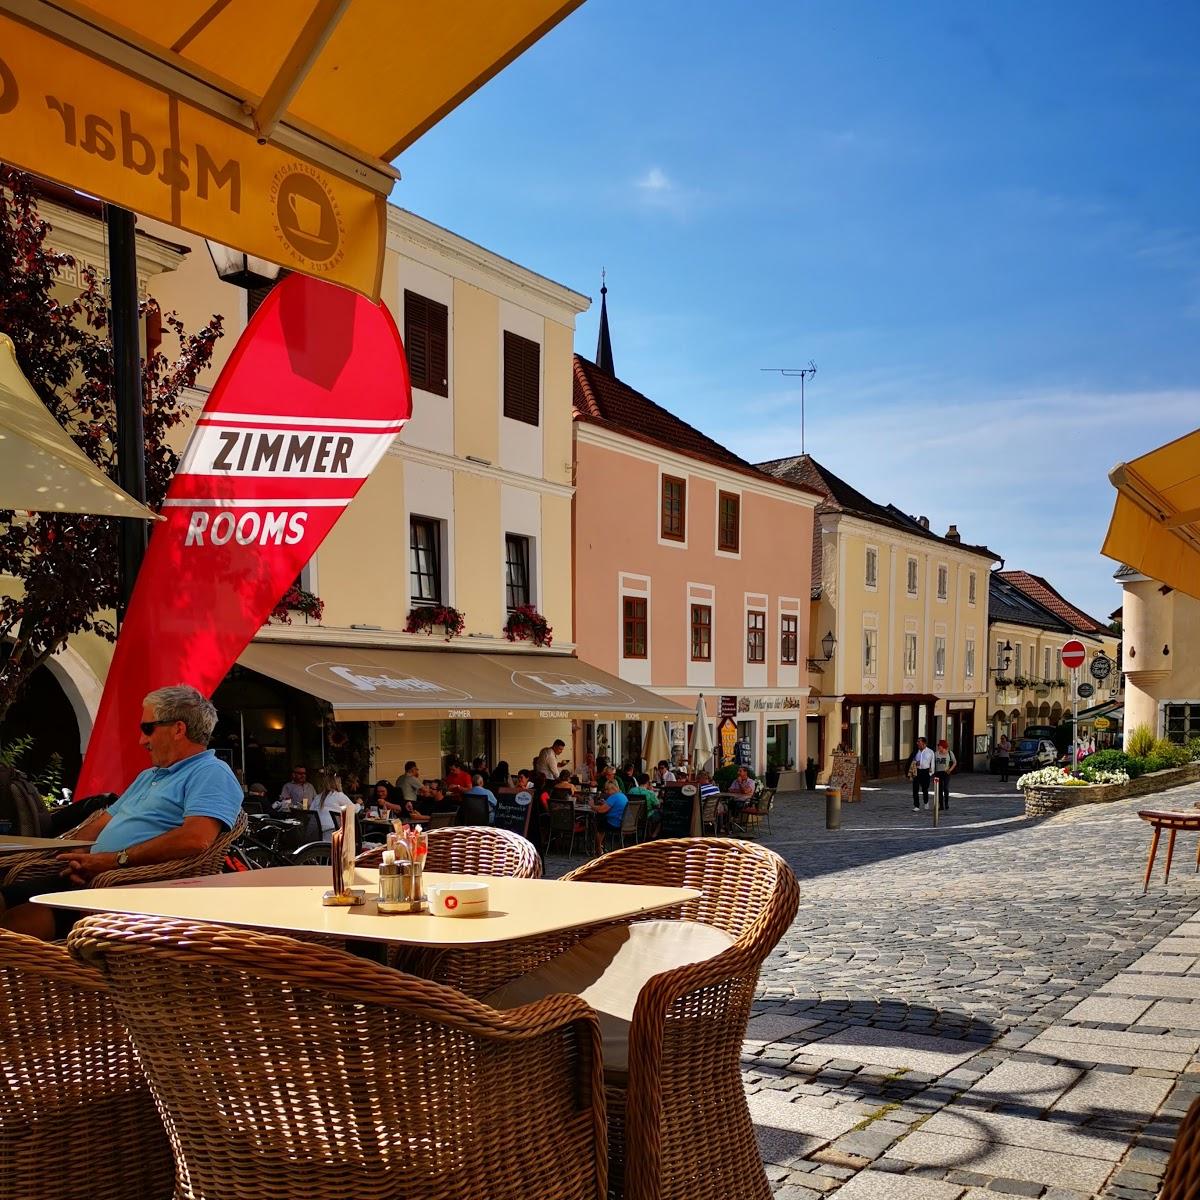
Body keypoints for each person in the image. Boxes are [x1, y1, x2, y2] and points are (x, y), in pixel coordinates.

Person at [0, 685, 242, 941]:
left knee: (14, 928)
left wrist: (113, 860)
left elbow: (195, 839)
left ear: (178, 729)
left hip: (127, 889)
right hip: (89, 875)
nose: (142, 740)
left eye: (148, 728)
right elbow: (103, 822)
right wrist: (74, 855)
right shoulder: (149, 775)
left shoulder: (211, 773)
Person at [591, 779, 628, 855]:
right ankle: (599, 846)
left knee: (598, 826)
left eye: (607, 789)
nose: (606, 792)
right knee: (601, 823)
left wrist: (592, 806)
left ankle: (598, 848)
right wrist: (606, 803)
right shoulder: (622, 796)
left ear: (613, 788)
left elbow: (601, 810)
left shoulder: (613, 797)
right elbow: (613, 806)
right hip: (624, 823)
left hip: (614, 823)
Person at [314, 771, 354, 841]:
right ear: (337, 784)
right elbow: (353, 809)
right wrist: (359, 804)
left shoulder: (318, 797)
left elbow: (311, 812)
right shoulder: (338, 795)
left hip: (317, 832)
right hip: (334, 832)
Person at [933, 740, 957, 812]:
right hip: (938, 773)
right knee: (939, 789)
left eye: (939, 746)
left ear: (943, 747)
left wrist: (950, 770)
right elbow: (932, 762)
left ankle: (946, 803)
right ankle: (941, 805)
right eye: (938, 746)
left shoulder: (949, 753)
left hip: (946, 773)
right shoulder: (936, 754)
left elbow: (955, 762)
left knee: (946, 788)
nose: (938, 747)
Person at [911, 737, 934, 811]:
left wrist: (930, 774)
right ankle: (916, 806)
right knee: (915, 789)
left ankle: (926, 802)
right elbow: (911, 761)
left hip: (925, 771)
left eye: (919, 742)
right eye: (917, 742)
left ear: (924, 743)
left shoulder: (930, 752)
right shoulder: (916, 751)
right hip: (917, 772)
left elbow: (932, 764)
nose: (917, 743)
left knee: (925, 789)